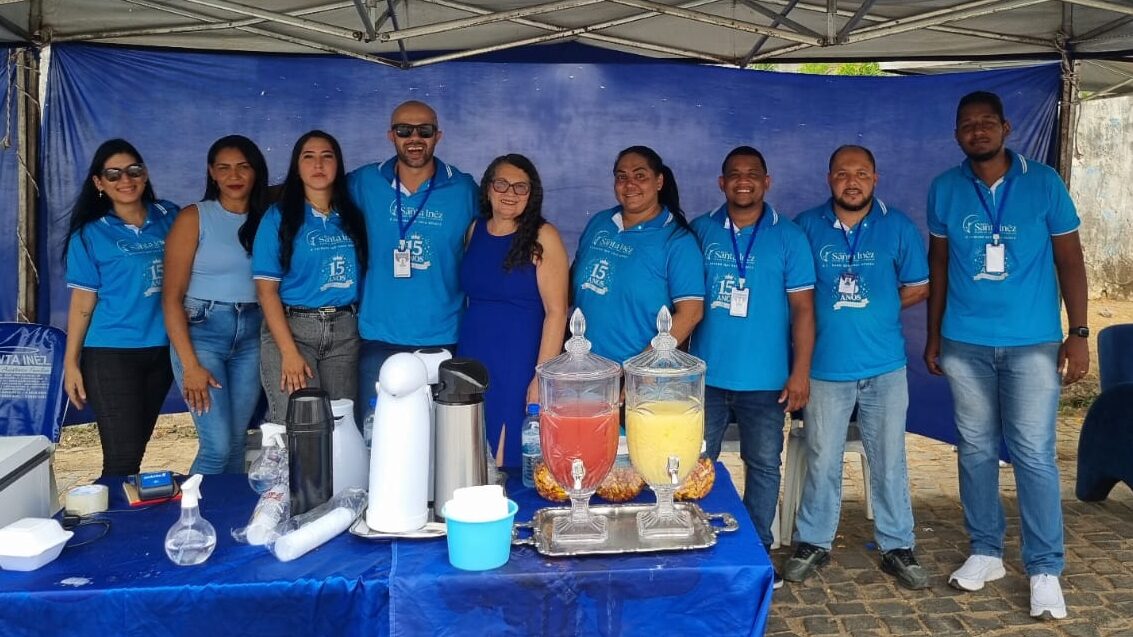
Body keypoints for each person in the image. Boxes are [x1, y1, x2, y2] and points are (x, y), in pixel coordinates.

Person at [924, 91, 1088, 620]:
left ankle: (1044, 568)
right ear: (957, 134)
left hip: (1033, 343)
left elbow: (1070, 258)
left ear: (1006, 127)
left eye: (986, 122)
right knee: (974, 449)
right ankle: (986, 551)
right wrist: (933, 335)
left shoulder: (1044, 182)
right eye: (967, 124)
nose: (978, 131)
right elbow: (939, 265)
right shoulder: (945, 188)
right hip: (964, 342)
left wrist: (1079, 332)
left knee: (1034, 454)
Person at [787, 145, 931, 590]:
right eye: (843, 174)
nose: (853, 182)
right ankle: (813, 542)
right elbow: (793, 292)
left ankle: (897, 545)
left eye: (862, 174)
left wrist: (879, 307)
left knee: (889, 458)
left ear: (876, 178)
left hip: (884, 367)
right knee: (822, 457)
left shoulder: (897, 226)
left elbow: (919, 286)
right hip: (825, 368)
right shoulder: (805, 227)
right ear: (829, 177)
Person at [690, 146, 815, 589]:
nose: (744, 181)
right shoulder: (701, 230)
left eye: (753, 174)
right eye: (735, 174)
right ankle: (699, 546)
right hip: (705, 377)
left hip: (767, 380)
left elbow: (803, 309)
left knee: (763, 465)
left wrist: (800, 373)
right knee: (694, 464)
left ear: (767, 181)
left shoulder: (790, 236)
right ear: (721, 182)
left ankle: (757, 549)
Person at [350, 101, 479, 420]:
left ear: (438, 135)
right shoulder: (365, 181)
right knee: (377, 435)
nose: (415, 138)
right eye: (404, 130)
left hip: (443, 337)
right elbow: (315, 194)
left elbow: (500, 229)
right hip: (379, 336)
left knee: (442, 435)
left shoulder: (463, 188)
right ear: (391, 135)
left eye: (425, 130)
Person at [62, 139, 180, 477]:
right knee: (122, 457)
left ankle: (120, 505)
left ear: (145, 174)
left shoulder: (170, 216)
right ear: (99, 182)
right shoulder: (90, 234)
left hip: (163, 350)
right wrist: (71, 362)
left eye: (133, 170)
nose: (125, 180)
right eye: (113, 174)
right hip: (111, 353)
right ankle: (107, 509)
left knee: (135, 449)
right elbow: (83, 302)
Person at [163, 135, 269, 474]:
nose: (233, 175)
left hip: (252, 336)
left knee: (237, 442)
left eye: (243, 167)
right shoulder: (194, 217)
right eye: (223, 168)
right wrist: (190, 366)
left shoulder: (268, 218)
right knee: (217, 447)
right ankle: (190, 509)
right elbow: (171, 298)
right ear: (211, 172)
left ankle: (225, 509)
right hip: (203, 334)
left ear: (256, 171)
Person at [456, 154, 569, 466]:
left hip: (518, 358)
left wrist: (540, 377)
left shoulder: (543, 236)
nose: (510, 193)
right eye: (502, 184)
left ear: (532, 195)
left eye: (521, 187)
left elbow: (557, 312)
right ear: (488, 188)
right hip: (472, 353)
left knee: (509, 457)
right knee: (470, 452)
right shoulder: (474, 230)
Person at [252, 130, 368, 422]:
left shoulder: (352, 214)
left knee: (341, 427)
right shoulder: (278, 217)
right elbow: (266, 291)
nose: (318, 164)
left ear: (338, 165)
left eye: (327, 156)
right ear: (296, 166)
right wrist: (289, 352)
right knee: (301, 424)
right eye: (309, 157)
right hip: (294, 330)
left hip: (345, 331)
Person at [572, 145, 705, 363]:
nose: (629, 184)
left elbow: (691, 314)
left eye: (640, 176)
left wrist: (641, 368)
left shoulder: (678, 241)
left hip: (636, 372)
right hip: (584, 368)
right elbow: (572, 284)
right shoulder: (599, 222)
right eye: (621, 177)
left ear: (659, 182)